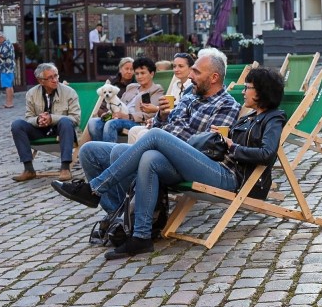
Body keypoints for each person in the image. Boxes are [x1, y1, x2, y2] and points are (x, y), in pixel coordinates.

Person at [52, 67, 285, 260]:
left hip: (230, 177)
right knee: (144, 156)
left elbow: (266, 154)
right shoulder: (249, 116)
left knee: (156, 138)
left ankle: (94, 188)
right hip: (211, 163)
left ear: (262, 91)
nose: (244, 91)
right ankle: (140, 236)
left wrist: (232, 145)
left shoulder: (273, 117)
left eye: (248, 87)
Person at [62, 48, 240, 216]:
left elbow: (206, 147)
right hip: (158, 148)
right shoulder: (190, 95)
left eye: (196, 72)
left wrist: (166, 140)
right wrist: (161, 115)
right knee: (89, 150)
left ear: (214, 77)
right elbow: (158, 124)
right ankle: (119, 216)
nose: (190, 76)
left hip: (183, 163)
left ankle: (95, 189)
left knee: (152, 139)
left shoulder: (226, 105)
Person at [10, 63, 80, 182]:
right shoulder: (31, 93)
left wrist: (52, 118)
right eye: (51, 78)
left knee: (66, 122)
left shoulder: (69, 92)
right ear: (41, 81)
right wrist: (38, 120)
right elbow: (29, 117)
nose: (55, 80)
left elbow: (75, 118)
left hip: (61, 131)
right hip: (40, 130)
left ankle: (65, 168)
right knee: (17, 125)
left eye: (56, 76)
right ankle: (28, 169)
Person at [86, 56, 164, 142]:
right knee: (93, 123)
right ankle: (99, 152)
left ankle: (109, 153)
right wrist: (109, 113)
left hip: (136, 122)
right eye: (137, 73)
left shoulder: (156, 90)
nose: (139, 76)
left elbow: (150, 114)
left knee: (111, 124)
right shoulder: (131, 87)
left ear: (152, 74)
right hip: (119, 117)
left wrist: (127, 116)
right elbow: (119, 103)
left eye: (142, 73)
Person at [127, 52, 195, 144]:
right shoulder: (176, 85)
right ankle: (132, 157)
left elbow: (183, 110)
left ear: (190, 68)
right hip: (167, 119)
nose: (176, 69)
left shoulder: (193, 86)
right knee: (133, 131)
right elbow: (167, 107)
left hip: (180, 124)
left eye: (181, 66)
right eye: (174, 66)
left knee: (142, 133)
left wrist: (156, 109)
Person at [0, 31, 15, 109]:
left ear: (2, 37)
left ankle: (9, 103)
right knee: (10, 85)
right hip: (9, 68)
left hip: (6, 68)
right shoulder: (8, 43)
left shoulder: (5, 44)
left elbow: (5, 55)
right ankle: (10, 102)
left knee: (7, 86)